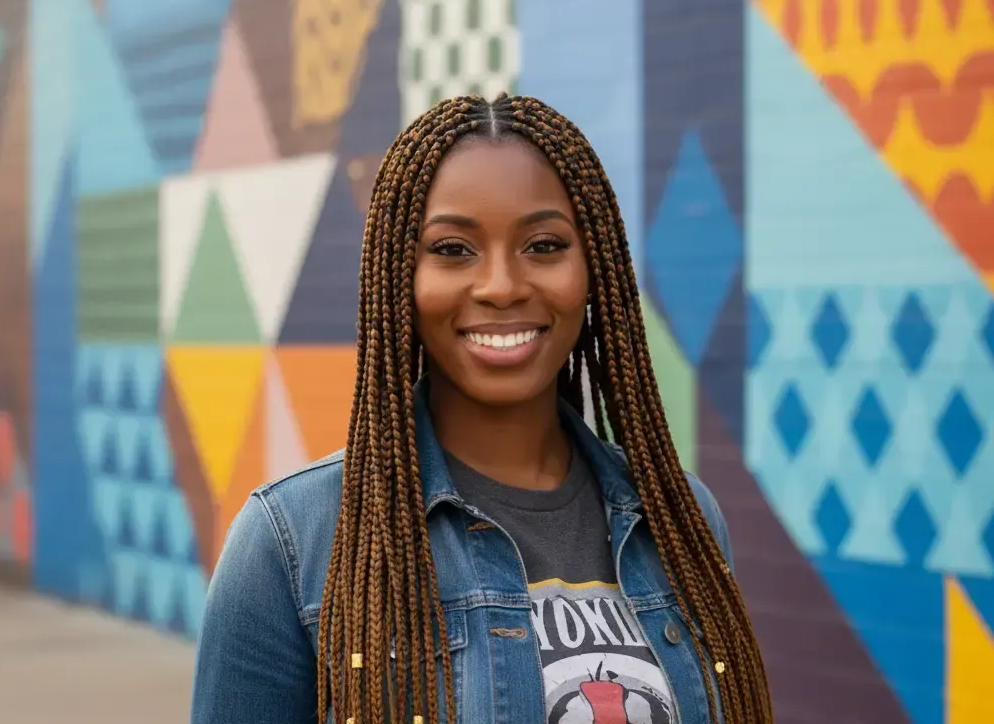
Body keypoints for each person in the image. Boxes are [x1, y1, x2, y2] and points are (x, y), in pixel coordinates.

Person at [190, 94, 773, 724]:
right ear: (398, 280)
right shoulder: (294, 541)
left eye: (544, 245)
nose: (501, 285)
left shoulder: (682, 519)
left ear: (594, 270)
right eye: (452, 250)